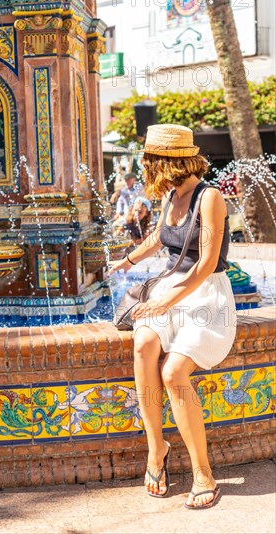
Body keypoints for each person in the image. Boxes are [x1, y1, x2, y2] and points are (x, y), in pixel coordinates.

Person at [108, 124, 237, 510]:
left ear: (167, 162)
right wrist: (126, 261)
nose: (147, 169)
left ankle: (203, 473)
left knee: (173, 373)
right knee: (144, 344)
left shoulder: (209, 197)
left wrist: (164, 304)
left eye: (150, 162)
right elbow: (159, 238)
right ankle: (156, 449)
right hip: (172, 289)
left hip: (205, 296)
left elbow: (208, 262)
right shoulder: (171, 197)